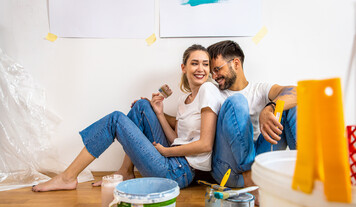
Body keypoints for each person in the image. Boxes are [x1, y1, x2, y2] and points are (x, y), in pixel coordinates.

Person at [32, 44, 224, 192]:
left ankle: (67, 177)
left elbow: (206, 145)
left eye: (205, 64)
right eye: (194, 63)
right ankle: (125, 171)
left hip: (179, 172)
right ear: (184, 67)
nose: (201, 69)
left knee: (116, 119)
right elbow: (176, 140)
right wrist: (157, 111)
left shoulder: (208, 90)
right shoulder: (184, 100)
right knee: (142, 106)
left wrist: (166, 152)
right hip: (176, 160)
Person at [207, 40, 297, 203]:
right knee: (237, 101)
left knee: (289, 105)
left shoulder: (261, 89)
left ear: (236, 63)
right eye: (211, 72)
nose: (214, 77)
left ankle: (305, 176)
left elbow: (297, 92)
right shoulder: (213, 92)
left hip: (260, 161)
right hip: (230, 170)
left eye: (217, 69)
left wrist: (269, 108)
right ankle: (251, 183)